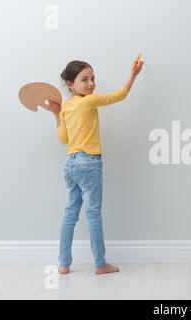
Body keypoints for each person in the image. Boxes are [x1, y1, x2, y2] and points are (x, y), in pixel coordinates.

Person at [43, 56, 144, 274]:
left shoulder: (66, 107)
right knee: (93, 214)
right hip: (89, 163)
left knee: (70, 213)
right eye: (84, 80)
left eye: (92, 79)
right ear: (70, 84)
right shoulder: (88, 101)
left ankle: (63, 264)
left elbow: (63, 139)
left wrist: (55, 113)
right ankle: (100, 263)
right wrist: (133, 74)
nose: (91, 84)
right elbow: (121, 94)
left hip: (70, 164)